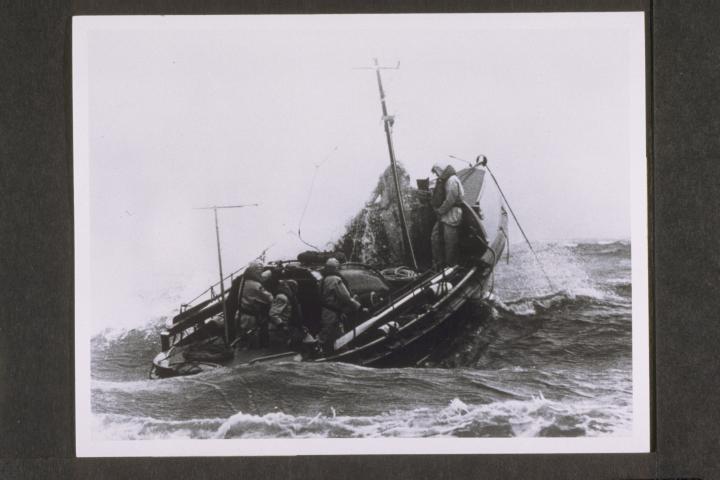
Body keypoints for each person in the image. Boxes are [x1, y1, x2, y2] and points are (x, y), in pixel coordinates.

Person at [318, 258, 362, 354]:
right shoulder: (335, 279)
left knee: (335, 332)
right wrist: (357, 305)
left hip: (326, 310)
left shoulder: (323, 279)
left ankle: (340, 350)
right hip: (333, 312)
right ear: (335, 268)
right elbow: (345, 296)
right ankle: (318, 351)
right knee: (329, 331)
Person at [431, 163, 465, 268]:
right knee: (435, 237)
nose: (437, 175)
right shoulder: (446, 180)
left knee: (450, 242)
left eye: (436, 172)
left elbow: (451, 199)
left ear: (440, 170)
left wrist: (440, 211)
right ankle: (439, 262)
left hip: (452, 214)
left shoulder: (452, 180)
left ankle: (451, 266)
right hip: (445, 215)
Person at [235, 261, 274, 348]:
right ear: (256, 271)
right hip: (249, 319)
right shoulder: (256, 285)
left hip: (241, 315)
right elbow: (269, 298)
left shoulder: (244, 279)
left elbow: (261, 277)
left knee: (241, 339)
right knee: (251, 342)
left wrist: (271, 271)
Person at [267, 279, 307, 348]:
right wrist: (281, 325)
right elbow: (273, 314)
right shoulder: (283, 297)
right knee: (279, 350)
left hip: (284, 328)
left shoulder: (289, 297)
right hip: (278, 329)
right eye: (295, 287)